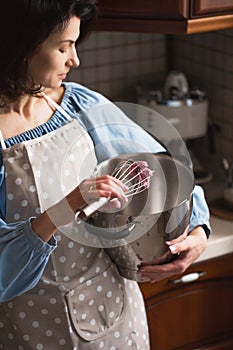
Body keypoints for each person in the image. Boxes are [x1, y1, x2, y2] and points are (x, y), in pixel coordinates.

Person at [0, 0, 211, 349]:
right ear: (20, 45)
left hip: (115, 323)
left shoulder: (82, 107)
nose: (75, 60)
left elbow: (167, 175)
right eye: (62, 46)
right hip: (27, 333)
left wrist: (198, 231)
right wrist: (68, 206)